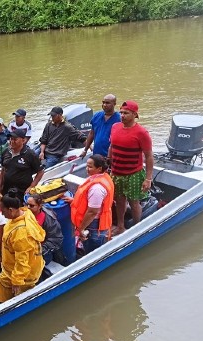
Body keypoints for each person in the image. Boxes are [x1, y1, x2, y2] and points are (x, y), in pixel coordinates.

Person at [108, 100, 154, 236]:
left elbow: (149, 157)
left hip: (133, 173)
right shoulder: (115, 127)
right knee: (119, 201)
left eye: (126, 113)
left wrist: (148, 179)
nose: (122, 115)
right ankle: (121, 226)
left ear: (135, 114)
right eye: (121, 112)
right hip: (116, 172)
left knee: (134, 202)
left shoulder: (142, 133)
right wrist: (108, 162)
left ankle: (136, 227)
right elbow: (112, 147)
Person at [0, 189, 45, 302]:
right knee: (2, 283)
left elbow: (22, 261)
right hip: (11, 266)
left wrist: (17, 282)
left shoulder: (21, 234)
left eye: (3, 211)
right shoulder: (25, 212)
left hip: (24, 275)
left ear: (11, 210)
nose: (1, 214)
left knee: (19, 297)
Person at [65, 154, 115, 254]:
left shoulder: (97, 188)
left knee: (93, 251)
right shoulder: (103, 177)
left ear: (99, 168)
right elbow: (86, 200)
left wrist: (80, 229)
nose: (87, 169)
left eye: (90, 167)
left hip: (93, 226)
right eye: (87, 166)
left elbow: (92, 212)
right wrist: (74, 200)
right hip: (95, 222)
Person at [0, 129, 44, 195]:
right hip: (6, 189)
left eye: (15, 139)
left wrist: (31, 187)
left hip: (22, 190)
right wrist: (0, 186)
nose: (12, 141)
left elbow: (40, 172)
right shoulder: (6, 152)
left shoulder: (30, 154)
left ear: (23, 140)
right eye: (11, 139)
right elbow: (3, 169)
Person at [26, 194, 63, 265]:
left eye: (31, 205)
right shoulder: (24, 214)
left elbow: (56, 239)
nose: (28, 207)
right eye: (27, 204)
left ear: (40, 206)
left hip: (41, 254)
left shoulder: (49, 220)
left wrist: (40, 250)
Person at [80, 94, 121, 158]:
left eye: (107, 103)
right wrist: (85, 150)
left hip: (112, 156)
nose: (104, 105)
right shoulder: (96, 116)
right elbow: (91, 133)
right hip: (97, 154)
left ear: (114, 104)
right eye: (103, 102)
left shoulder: (119, 119)